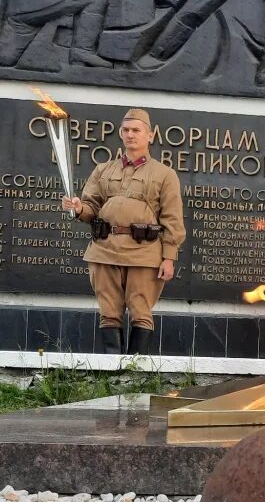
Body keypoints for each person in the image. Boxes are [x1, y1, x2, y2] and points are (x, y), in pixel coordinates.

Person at [62, 109, 186, 355]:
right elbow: (92, 207)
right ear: (120, 133)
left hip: (144, 252)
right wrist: (78, 208)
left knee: (140, 312)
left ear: (150, 135)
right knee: (109, 312)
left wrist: (169, 257)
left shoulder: (164, 175)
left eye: (136, 130)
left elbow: (172, 218)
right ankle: (111, 371)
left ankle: (135, 372)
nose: (131, 135)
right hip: (104, 250)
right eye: (126, 130)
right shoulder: (103, 170)